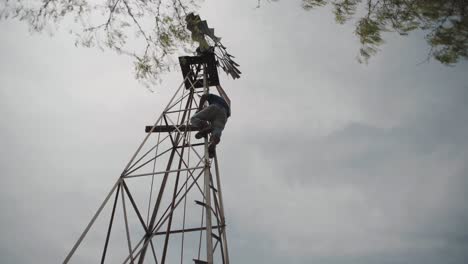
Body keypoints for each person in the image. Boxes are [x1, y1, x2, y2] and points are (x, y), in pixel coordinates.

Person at [191, 92, 230, 158]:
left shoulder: (214, 97)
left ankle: (205, 126)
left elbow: (204, 96)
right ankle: (213, 142)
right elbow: (226, 117)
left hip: (215, 107)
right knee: (216, 132)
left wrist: (200, 109)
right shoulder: (226, 105)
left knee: (194, 119)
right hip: (224, 115)